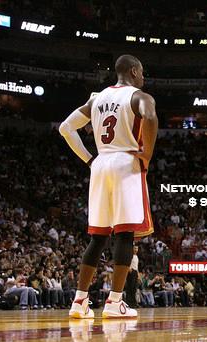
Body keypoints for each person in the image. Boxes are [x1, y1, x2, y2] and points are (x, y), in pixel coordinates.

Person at [60, 54, 158, 318]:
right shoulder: (140, 97)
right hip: (126, 161)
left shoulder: (96, 98)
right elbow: (150, 118)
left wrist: (89, 159)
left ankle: (79, 302)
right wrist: (147, 154)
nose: (144, 77)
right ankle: (115, 302)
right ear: (135, 71)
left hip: (100, 164)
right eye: (143, 72)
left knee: (99, 236)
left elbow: (65, 128)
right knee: (125, 234)